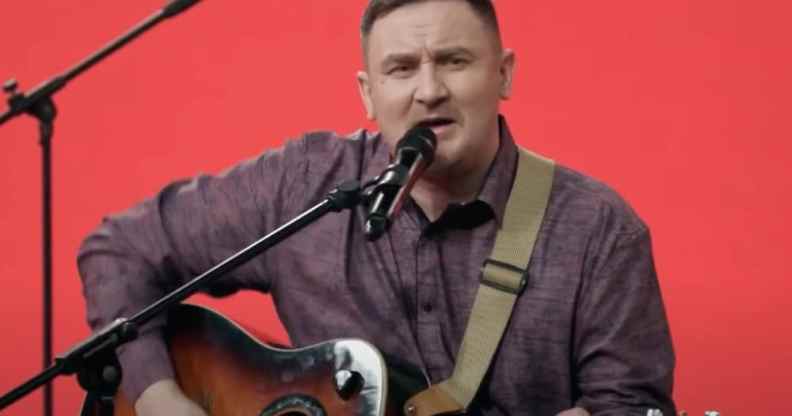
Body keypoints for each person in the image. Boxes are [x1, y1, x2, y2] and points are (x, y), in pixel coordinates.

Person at [78, 0, 676, 415]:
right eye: (401, 69)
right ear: (368, 93)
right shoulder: (306, 185)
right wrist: (157, 395)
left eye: (454, 61)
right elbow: (121, 250)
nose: (428, 89)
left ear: (504, 75)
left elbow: (631, 402)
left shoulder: (598, 231)